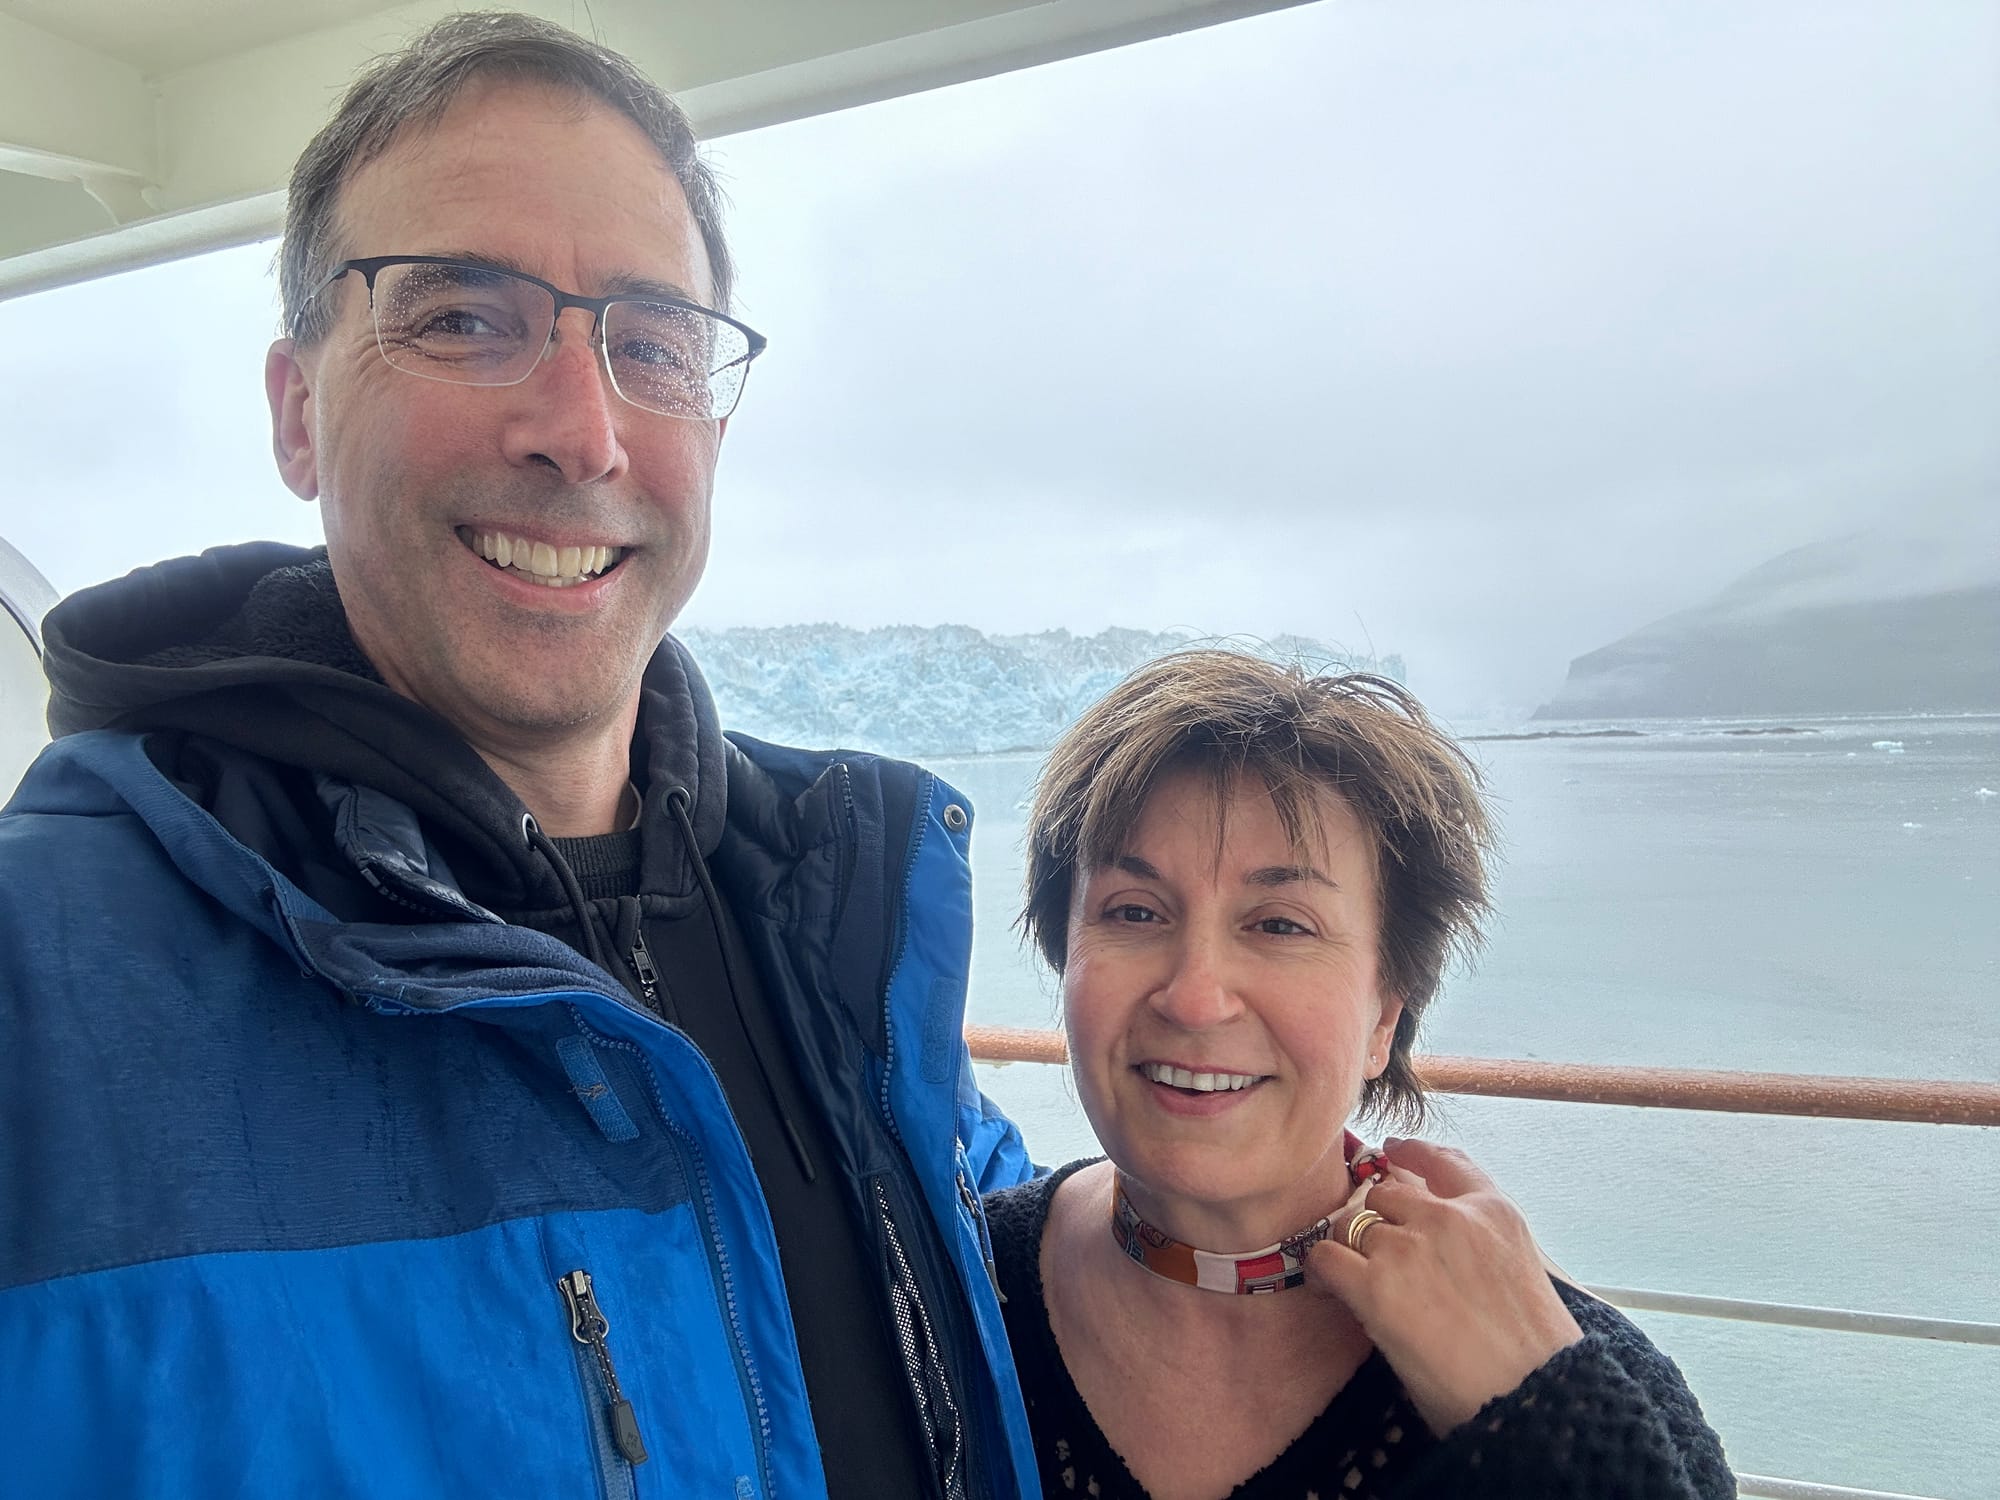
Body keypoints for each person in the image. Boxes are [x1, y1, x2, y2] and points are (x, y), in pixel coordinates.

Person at [0, 13, 1038, 1497]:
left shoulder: (834, 915)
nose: (582, 429)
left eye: (653, 344)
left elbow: (993, 1243)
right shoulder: (42, 998)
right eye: (463, 318)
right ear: (298, 412)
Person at [987, 649, 1733, 1499]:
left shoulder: (1559, 1383)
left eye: (1279, 924)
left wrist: (1534, 1427)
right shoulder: (948, 1297)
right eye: (1133, 911)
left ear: (1385, 1015)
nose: (1195, 998)